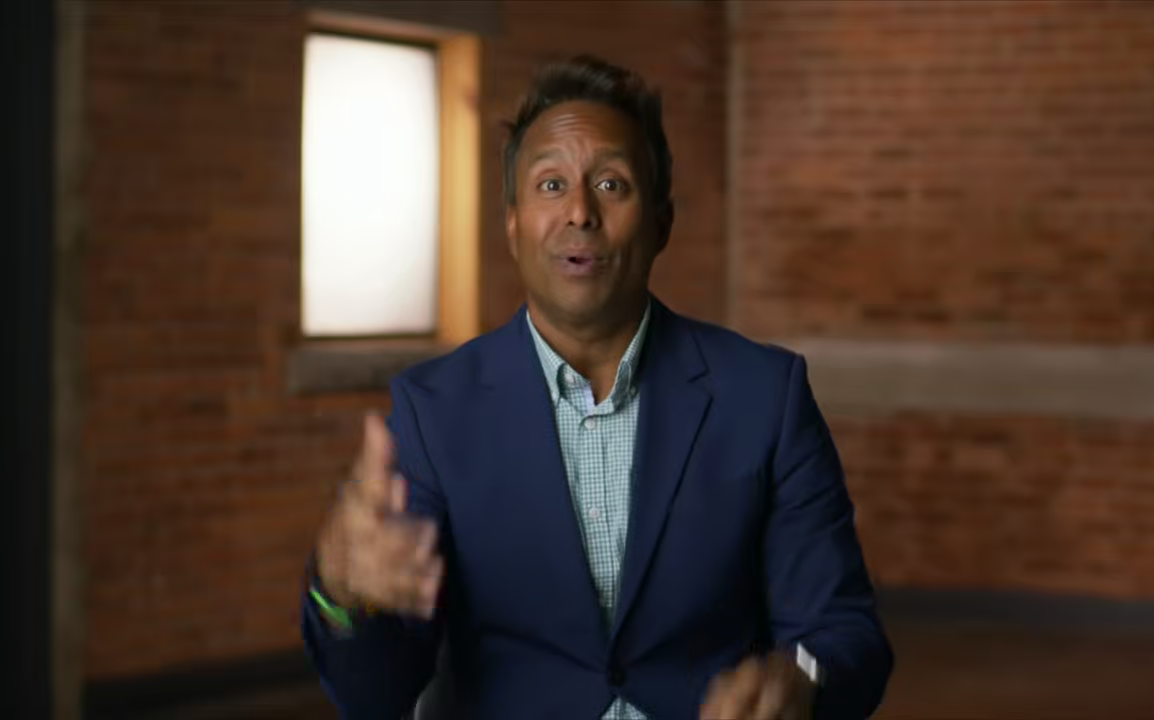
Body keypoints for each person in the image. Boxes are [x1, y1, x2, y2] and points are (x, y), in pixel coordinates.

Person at [301, 55, 893, 720]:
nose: (580, 211)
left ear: (662, 222)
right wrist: (342, 597)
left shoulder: (765, 396)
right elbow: (373, 696)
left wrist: (801, 680)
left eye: (611, 184)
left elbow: (844, 633)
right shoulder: (433, 412)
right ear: (513, 224)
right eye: (551, 185)